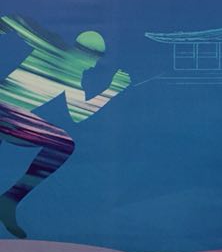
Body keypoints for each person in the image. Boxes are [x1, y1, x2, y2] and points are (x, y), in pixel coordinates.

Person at [0, 15, 130, 239]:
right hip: (5, 110)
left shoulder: (73, 76)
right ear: (85, 53)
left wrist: (113, 89)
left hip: (12, 120)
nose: (94, 65)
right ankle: (8, 201)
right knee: (63, 143)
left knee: (63, 144)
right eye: (95, 59)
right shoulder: (51, 45)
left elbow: (78, 115)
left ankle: (8, 201)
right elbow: (14, 20)